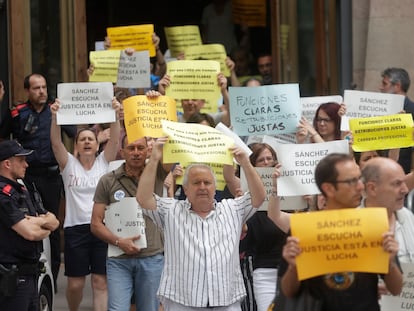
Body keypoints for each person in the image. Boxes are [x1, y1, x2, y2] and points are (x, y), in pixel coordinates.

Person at [136, 137, 266, 310]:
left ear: (214, 187)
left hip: (226, 300)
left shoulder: (232, 209)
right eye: (196, 183)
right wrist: (153, 159)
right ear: (186, 189)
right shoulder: (171, 210)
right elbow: (143, 199)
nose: (203, 187)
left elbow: (259, 197)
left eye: (207, 182)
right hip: (182, 301)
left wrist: (245, 164)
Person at [279, 153, 403, 311]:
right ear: (329, 189)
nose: (360, 186)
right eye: (351, 181)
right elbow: (288, 291)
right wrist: (293, 267)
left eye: (360, 179)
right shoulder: (305, 230)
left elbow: (396, 289)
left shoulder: (373, 224)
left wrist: (389, 261)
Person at [0, 73, 77, 290]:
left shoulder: (56, 110)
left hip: (52, 175)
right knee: (27, 219)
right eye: (36, 88)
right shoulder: (17, 113)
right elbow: (3, 138)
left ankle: (50, 278)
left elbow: (75, 134)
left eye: (43, 87)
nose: (41, 91)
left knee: (52, 224)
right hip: (26, 175)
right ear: (28, 91)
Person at [50, 97, 121, 311]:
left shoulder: (103, 163)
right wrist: (55, 116)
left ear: (98, 144)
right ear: (77, 146)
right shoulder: (68, 165)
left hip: (101, 228)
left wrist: (116, 114)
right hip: (75, 230)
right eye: (83, 140)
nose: (87, 142)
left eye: (91, 139)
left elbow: (116, 140)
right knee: (75, 284)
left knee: (100, 282)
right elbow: (55, 142)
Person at [91, 134, 168, 311]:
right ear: (122, 152)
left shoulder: (157, 173)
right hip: (119, 258)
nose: (136, 153)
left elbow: (171, 159)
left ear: (147, 151)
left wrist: (163, 140)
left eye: (140, 148)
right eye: (131, 148)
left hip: (151, 256)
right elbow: (95, 223)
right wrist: (119, 241)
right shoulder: (107, 181)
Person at [0, 139, 59, 310]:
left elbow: (54, 222)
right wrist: (42, 224)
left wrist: (35, 221)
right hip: (12, 279)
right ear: (7, 164)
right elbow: (30, 233)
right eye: (21, 160)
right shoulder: (3, 195)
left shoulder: (24, 189)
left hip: (31, 275)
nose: (26, 164)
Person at [362, 157, 414, 264]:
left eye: (404, 182)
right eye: (397, 184)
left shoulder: (407, 215)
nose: (405, 190)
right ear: (372, 188)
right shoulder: (353, 226)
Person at [158, 72, 231, 127]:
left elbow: (232, 116)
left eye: (194, 99)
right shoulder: (173, 121)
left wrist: (224, 91)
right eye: (186, 99)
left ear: (203, 102)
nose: (190, 102)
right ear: (181, 102)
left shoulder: (210, 119)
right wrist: (162, 93)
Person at [379, 67, 414, 174]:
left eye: (385, 84)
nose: (380, 88)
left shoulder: (412, 110)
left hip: (405, 174)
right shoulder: (380, 111)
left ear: (397, 86)